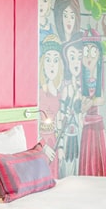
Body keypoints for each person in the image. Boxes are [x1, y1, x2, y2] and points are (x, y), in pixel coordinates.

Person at [79, 30, 106, 176]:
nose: (89, 56)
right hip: (86, 123)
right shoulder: (80, 80)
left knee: (97, 157)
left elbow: (101, 99)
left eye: (93, 52)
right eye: (86, 51)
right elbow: (81, 103)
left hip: (96, 123)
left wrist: (90, 102)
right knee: (87, 156)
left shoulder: (98, 78)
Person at [56, 35, 84, 178]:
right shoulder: (66, 90)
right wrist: (60, 146)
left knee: (79, 170)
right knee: (67, 170)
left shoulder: (83, 89)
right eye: (72, 57)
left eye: (79, 57)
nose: (76, 62)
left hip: (79, 136)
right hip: (67, 137)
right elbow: (60, 119)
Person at [38, 35, 63, 175]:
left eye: (55, 60)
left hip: (54, 142)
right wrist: (43, 146)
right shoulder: (39, 94)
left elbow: (59, 124)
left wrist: (61, 147)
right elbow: (34, 126)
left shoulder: (59, 95)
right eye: (48, 60)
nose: (52, 65)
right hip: (42, 144)